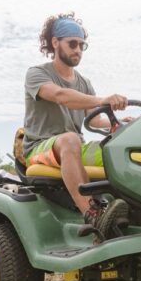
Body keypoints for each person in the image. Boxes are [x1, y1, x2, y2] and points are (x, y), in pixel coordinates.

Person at [22, 13, 129, 239]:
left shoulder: (84, 83)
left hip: (72, 147)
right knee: (70, 138)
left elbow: (94, 119)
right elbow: (61, 96)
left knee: (117, 150)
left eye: (82, 45)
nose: (78, 50)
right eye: (72, 44)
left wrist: (119, 124)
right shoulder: (37, 74)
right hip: (40, 148)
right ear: (54, 42)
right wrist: (102, 99)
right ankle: (94, 214)